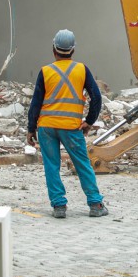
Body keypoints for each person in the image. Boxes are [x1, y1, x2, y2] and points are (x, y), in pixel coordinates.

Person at [26, 29, 108, 219]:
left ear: (54, 48)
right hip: (71, 128)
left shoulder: (45, 71)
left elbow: (35, 103)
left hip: (46, 127)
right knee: (83, 165)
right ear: (73, 50)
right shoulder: (81, 69)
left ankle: (59, 207)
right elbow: (96, 97)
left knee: (52, 166)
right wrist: (88, 122)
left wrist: (31, 129)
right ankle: (95, 204)